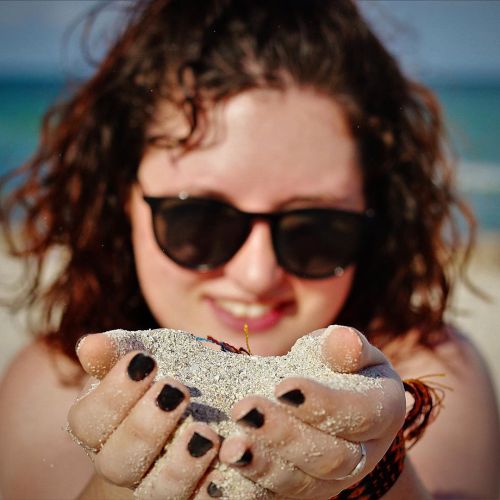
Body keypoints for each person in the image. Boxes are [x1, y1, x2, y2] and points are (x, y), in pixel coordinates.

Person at [0, 0, 498, 498]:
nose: (258, 274)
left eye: (315, 228)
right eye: (199, 220)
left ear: (375, 217)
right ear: (121, 201)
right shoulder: (50, 387)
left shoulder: (433, 364)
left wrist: (381, 476)